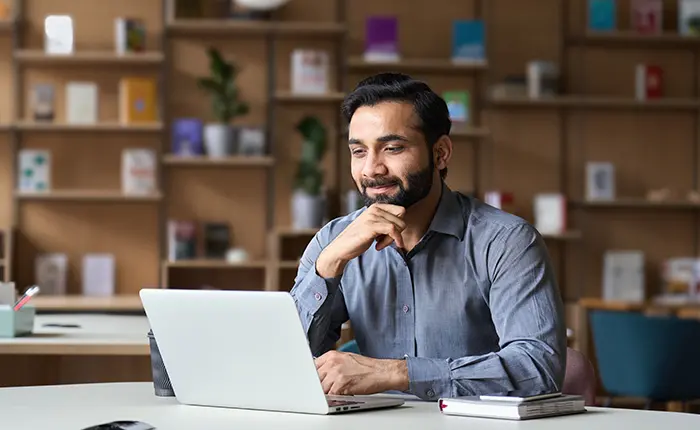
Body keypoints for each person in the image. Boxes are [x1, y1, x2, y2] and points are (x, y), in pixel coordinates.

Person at [289, 72, 567, 401]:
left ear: (440, 153)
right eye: (359, 152)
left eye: (392, 148)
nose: (371, 169)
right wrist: (329, 265)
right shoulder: (332, 241)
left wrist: (397, 373)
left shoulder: (507, 241)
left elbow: (538, 369)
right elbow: (287, 365)